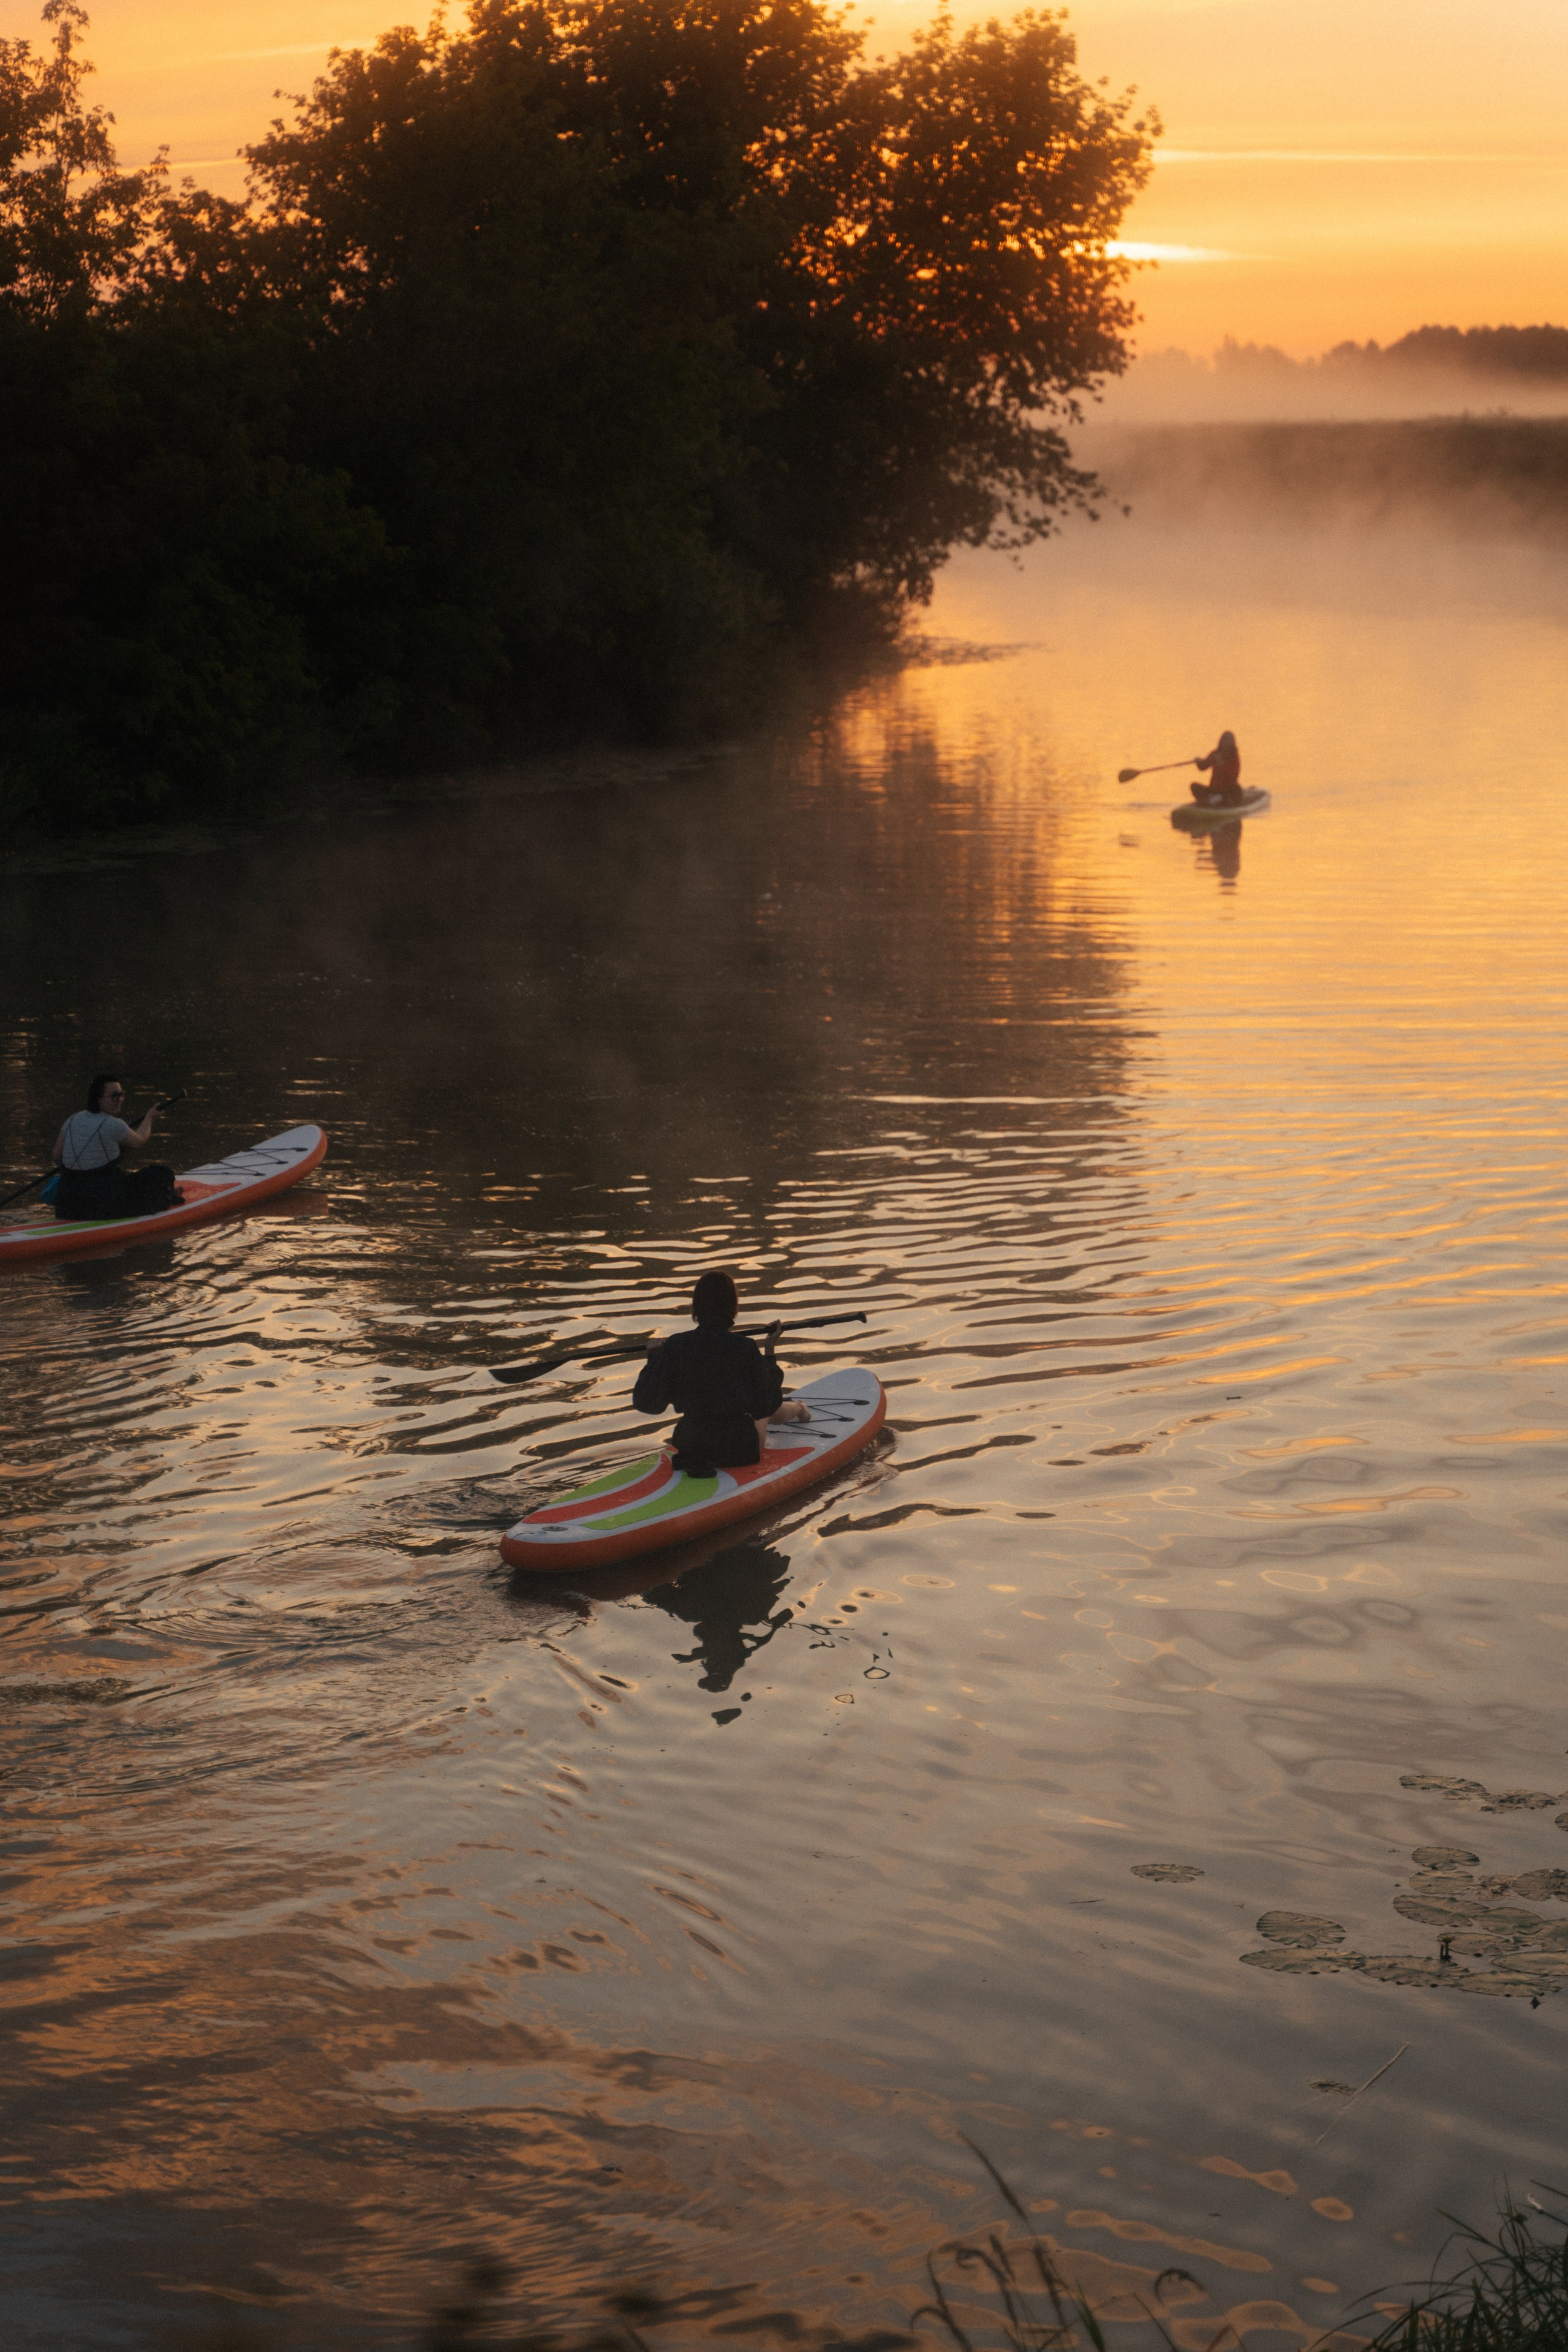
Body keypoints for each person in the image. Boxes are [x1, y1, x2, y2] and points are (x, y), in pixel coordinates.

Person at [633, 1271, 811, 1476]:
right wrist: (769, 1351)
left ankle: (799, 1408)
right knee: (762, 1415)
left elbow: (648, 1404)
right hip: (737, 1451)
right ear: (733, 1308)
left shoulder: (675, 1346)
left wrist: (654, 1359)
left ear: (696, 1307)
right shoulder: (745, 1348)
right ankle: (799, 1409)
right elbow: (767, 1405)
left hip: (692, 1448)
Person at [51, 1075, 181, 1221]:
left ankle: (169, 1193)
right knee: (162, 1172)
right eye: (114, 1096)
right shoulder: (114, 1124)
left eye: (121, 1095)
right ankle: (168, 1195)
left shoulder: (72, 1119)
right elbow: (140, 1141)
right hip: (101, 1204)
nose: (120, 1099)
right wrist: (150, 1117)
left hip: (67, 1204)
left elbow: (57, 1155)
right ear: (99, 1099)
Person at [1191, 730, 1243, 807]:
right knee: (1194, 786)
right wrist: (1199, 762)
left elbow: (1233, 777)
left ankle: (1219, 801)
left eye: (1227, 740)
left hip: (1226, 791)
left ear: (1232, 744)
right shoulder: (1215, 754)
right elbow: (1203, 766)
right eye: (1223, 739)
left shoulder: (1234, 758)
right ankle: (1212, 800)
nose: (1224, 742)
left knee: (1237, 788)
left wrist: (1222, 764)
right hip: (1213, 790)